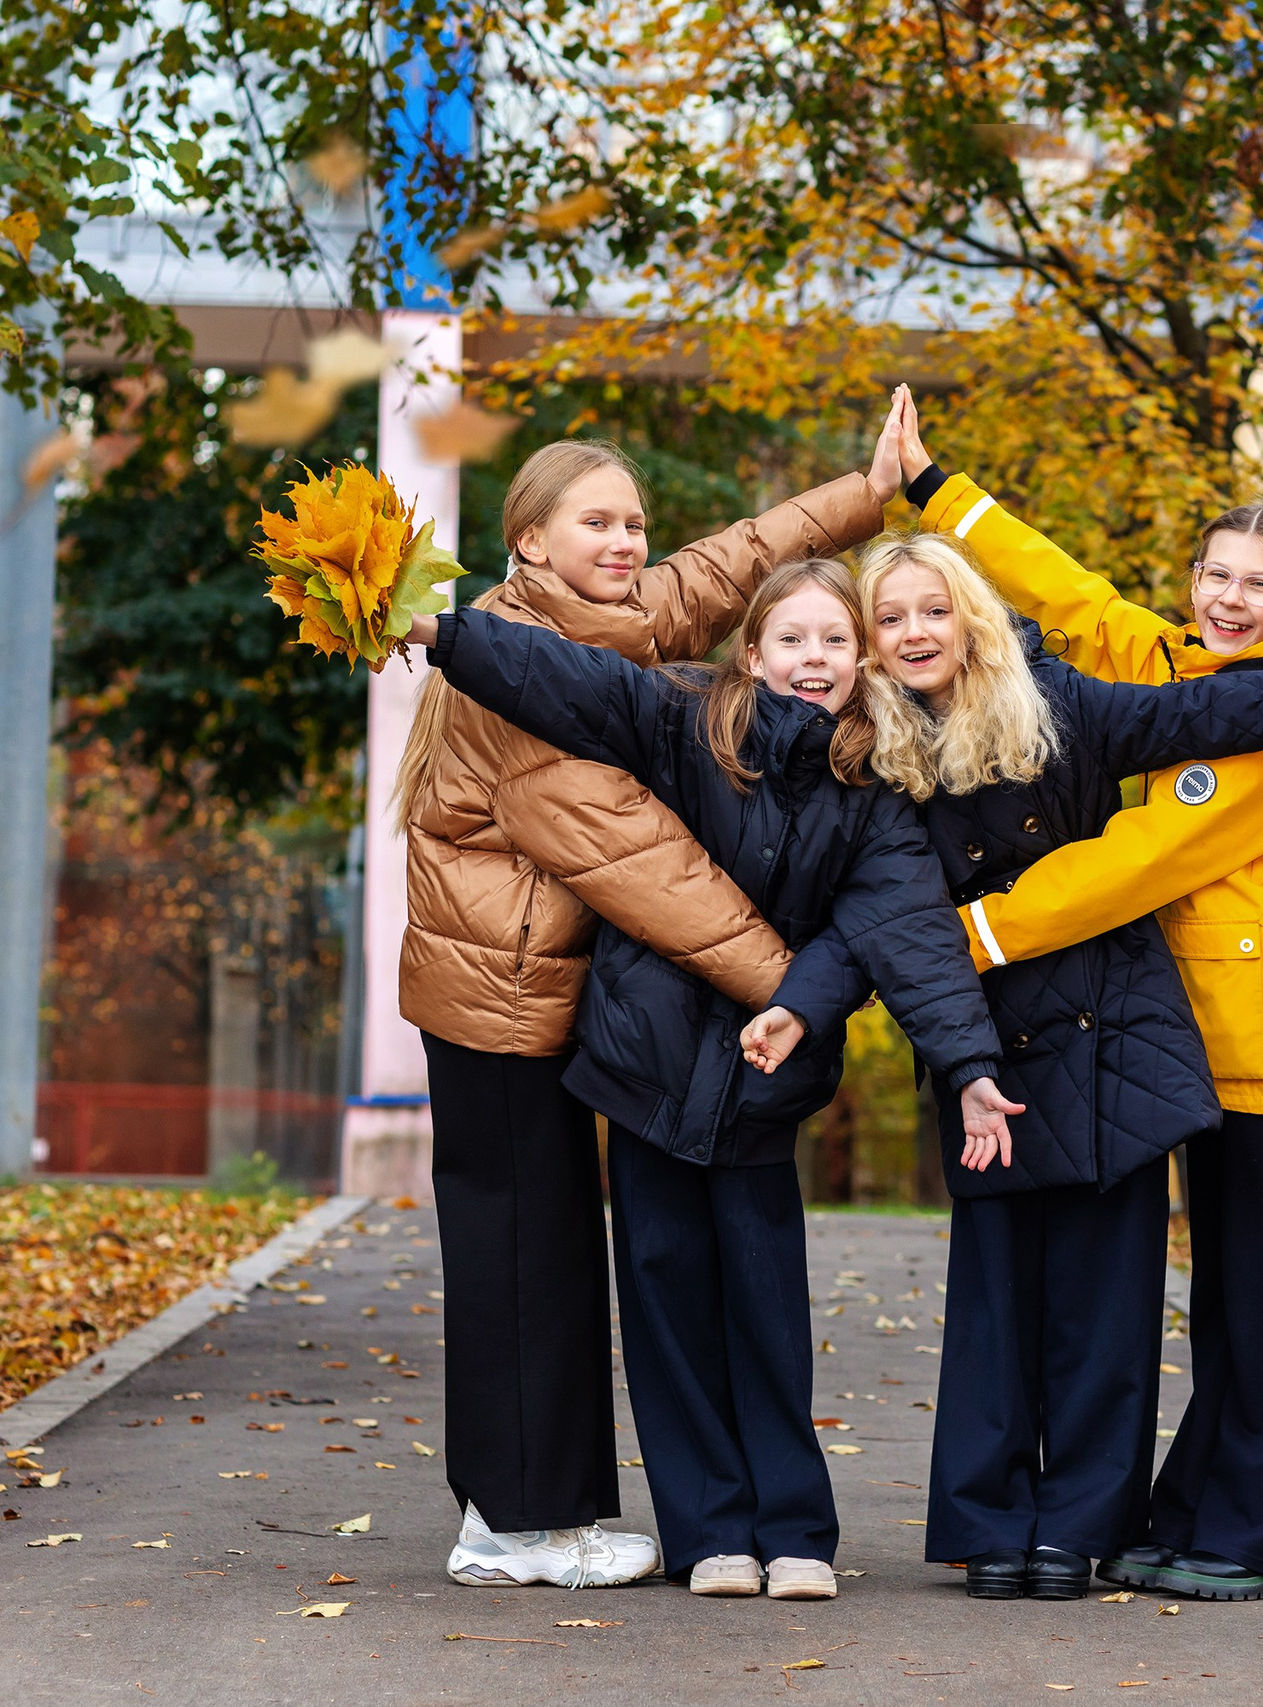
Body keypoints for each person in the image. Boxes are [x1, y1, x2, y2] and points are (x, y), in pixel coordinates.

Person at [740, 529, 1263, 1601]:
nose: (912, 633)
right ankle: (990, 1521)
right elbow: (876, 913)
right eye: (889, 617)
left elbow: (1211, 713)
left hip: (1113, 1026)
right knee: (992, 1292)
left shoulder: (1063, 705)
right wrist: (802, 1004)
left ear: (970, 616)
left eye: (932, 610)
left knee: (1107, 1298)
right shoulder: (867, 755)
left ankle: (1077, 1527)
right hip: (980, 1035)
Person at [406, 559, 1022, 1603]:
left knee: (765, 1312)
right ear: (752, 655)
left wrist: (965, 1066)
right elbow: (563, 679)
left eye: (832, 641)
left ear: (860, 661)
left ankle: (793, 1534)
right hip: (644, 1073)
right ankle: (708, 1536)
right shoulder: (682, 719)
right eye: (791, 640)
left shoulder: (872, 788)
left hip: (759, 1086)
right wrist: (445, 633)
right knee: (665, 1304)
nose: (811, 659)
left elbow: (908, 933)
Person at [390, 418, 900, 1590]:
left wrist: (861, 497)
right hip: (501, 994)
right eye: (596, 523)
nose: (627, 542)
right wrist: (804, 988)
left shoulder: (592, 622)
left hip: (537, 983)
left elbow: (719, 568)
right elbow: (642, 865)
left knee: (549, 1249)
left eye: (632, 522)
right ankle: (516, 1527)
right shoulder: (516, 676)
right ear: (529, 542)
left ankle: (523, 1512)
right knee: (527, 1257)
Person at [891, 393, 1263, 1601]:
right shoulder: (1162, 659)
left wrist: (971, 933)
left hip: (1256, 1031)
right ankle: (1204, 1508)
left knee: (1259, 1287)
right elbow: (1062, 587)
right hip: (1181, 1035)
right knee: (1217, 1295)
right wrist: (936, 491)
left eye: (1260, 585)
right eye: (1216, 574)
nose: (1230, 599)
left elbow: (1138, 862)